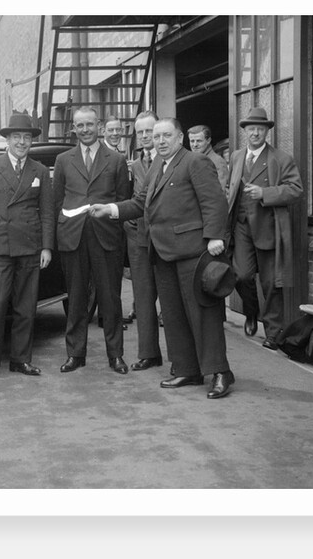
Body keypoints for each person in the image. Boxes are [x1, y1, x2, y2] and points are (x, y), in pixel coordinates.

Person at [91, 118, 235, 399]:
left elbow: (214, 201)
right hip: (162, 252)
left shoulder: (195, 162)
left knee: (203, 314)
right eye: (156, 137)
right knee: (173, 315)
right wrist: (109, 208)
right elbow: (138, 203)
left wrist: (216, 236)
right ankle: (186, 369)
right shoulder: (158, 165)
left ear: (179, 137)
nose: (160, 141)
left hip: (193, 252)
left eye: (166, 135)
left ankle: (220, 372)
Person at [0, 112, 55, 382]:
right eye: (16, 137)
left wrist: (47, 247)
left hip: (30, 248)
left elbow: (48, 212)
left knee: (26, 307)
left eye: (26, 137)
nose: (21, 142)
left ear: (32, 141)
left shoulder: (40, 170)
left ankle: (20, 360)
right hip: (0, 249)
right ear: (7, 139)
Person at [53, 106, 132, 375]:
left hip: (106, 237)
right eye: (79, 125)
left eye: (89, 124)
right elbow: (57, 201)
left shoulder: (116, 160)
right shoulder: (63, 160)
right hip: (72, 238)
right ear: (73, 128)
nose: (85, 130)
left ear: (99, 126)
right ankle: (75, 354)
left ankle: (115, 355)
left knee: (110, 298)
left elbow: (123, 200)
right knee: (75, 298)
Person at [226, 107, 303, 350]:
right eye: (251, 129)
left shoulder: (280, 159)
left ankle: (273, 333)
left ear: (267, 131)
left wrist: (265, 193)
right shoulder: (237, 157)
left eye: (260, 129)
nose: (255, 133)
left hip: (268, 228)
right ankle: (251, 313)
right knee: (241, 275)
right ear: (245, 132)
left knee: (271, 283)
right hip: (241, 226)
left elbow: (296, 190)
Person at [122, 111, 163, 372]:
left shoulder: (172, 161)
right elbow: (129, 200)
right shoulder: (133, 166)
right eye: (141, 132)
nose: (146, 137)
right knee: (144, 298)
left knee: (172, 302)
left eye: (151, 131)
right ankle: (149, 354)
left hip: (166, 240)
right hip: (139, 239)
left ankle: (184, 359)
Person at [188, 124, 229, 195]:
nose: (195, 145)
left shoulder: (217, 162)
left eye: (199, 141)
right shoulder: (191, 161)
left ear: (208, 140)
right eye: (192, 141)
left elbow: (220, 192)